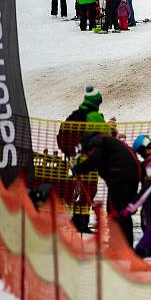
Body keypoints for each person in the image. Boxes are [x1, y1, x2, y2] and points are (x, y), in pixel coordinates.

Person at [72, 131, 142, 248]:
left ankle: (120, 246)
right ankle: (123, 245)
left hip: (120, 176)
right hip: (133, 174)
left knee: (116, 211)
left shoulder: (95, 142)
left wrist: (77, 169)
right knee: (123, 212)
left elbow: (95, 160)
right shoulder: (106, 141)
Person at [56, 85, 110, 233]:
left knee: (82, 191)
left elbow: (62, 135)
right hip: (89, 161)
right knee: (89, 191)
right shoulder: (94, 117)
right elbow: (107, 137)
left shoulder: (74, 115)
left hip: (74, 159)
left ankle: (77, 220)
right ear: (96, 103)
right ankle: (81, 223)